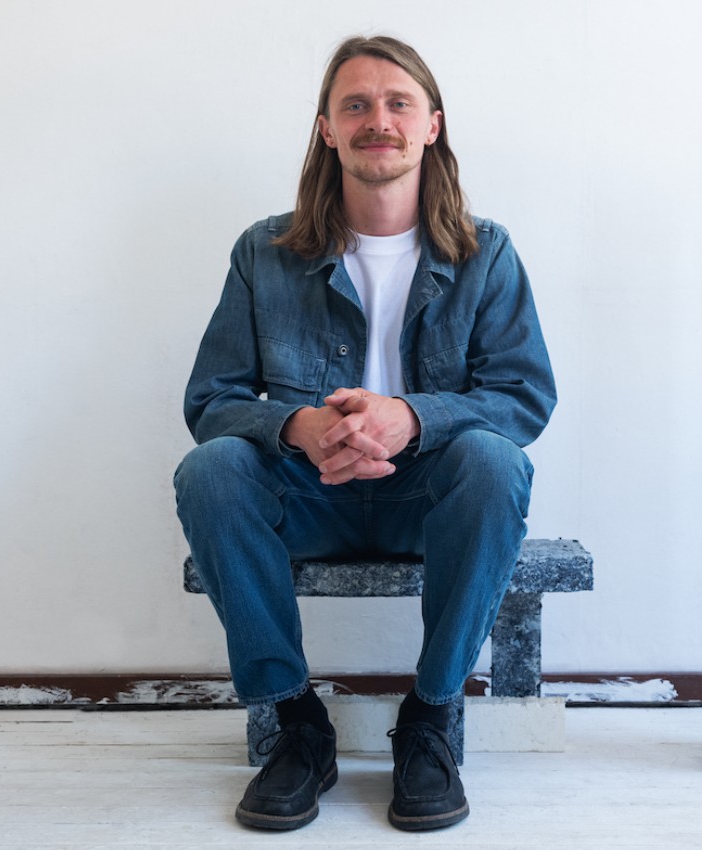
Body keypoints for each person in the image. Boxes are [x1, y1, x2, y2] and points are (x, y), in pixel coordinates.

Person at [173, 35, 556, 832]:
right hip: (308, 496)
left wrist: (411, 416)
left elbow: (523, 397)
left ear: (431, 126)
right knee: (211, 469)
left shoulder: (486, 253)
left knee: (494, 462)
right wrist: (298, 425)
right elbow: (211, 399)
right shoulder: (264, 252)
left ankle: (431, 718)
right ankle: (296, 725)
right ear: (327, 129)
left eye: (397, 103)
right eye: (356, 104)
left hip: (426, 499)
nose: (377, 119)